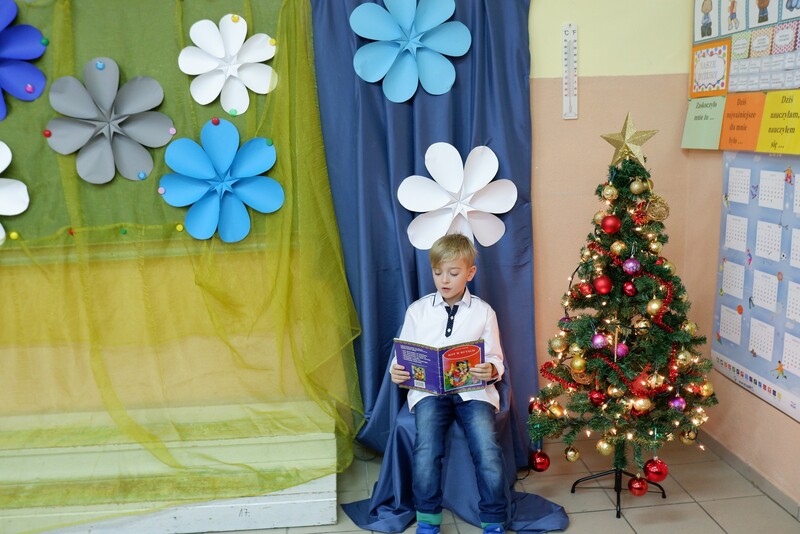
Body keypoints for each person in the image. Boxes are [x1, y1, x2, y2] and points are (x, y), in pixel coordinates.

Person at [390, 233, 507, 534]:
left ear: (470, 273)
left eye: (453, 273)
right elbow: (402, 355)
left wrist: (490, 369)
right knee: (427, 448)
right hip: (428, 392)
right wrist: (397, 371)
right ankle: (428, 519)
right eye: (437, 272)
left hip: (473, 392)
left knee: (486, 448)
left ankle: (493, 519)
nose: (444, 280)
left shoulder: (483, 311)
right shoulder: (418, 310)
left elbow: (496, 358)